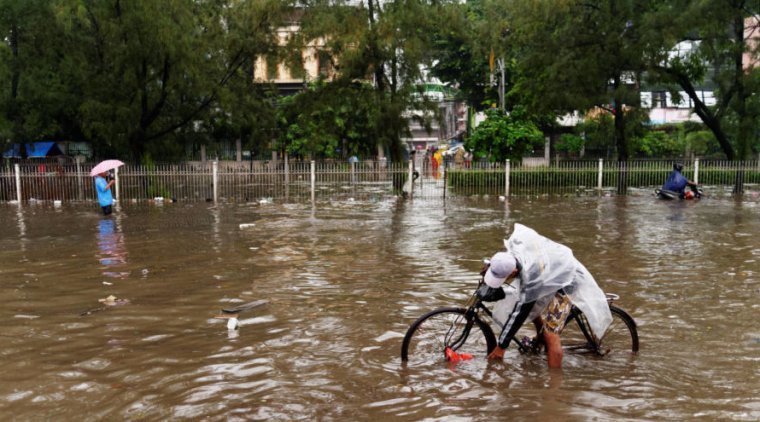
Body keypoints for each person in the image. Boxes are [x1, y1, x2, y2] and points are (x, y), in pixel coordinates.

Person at [484, 224, 612, 369]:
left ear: (514, 271)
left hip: (568, 279)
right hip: (550, 271)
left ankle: (554, 385)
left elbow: (520, 313)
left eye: (505, 277)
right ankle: (540, 338)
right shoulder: (512, 251)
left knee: (551, 333)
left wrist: (502, 346)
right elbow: (500, 263)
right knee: (529, 304)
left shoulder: (530, 277)